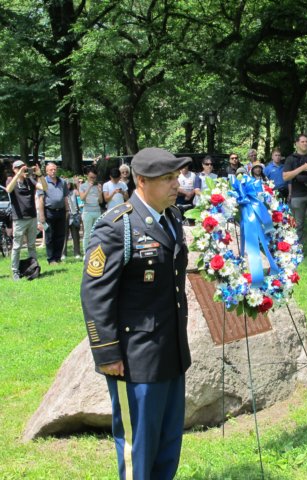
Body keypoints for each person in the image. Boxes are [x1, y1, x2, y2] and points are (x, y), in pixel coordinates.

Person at [81, 147, 192, 480]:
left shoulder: (171, 218)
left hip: (170, 351)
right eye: (168, 179)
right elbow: (95, 293)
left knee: (168, 442)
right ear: (141, 181)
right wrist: (107, 353)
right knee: (138, 446)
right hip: (135, 358)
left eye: (176, 177)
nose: (177, 184)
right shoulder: (117, 226)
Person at [6, 160, 47, 280]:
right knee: (17, 246)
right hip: (19, 219)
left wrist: (39, 174)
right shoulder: (11, 180)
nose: (22, 170)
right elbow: (8, 189)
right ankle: (15, 271)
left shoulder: (29, 180)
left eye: (23, 167)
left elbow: (44, 187)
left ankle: (34, 268)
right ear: (14, 169)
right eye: (19, 168)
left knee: (31, 245)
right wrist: (18, 175)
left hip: (32, 217)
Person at [37, 162, 69, 265]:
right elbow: (41, 199)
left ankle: (58, 257)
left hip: (61, 211)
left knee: (60, 236)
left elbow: (65, 197)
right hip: (49, 212)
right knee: (50, 236)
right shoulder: (43, 182)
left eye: (55, 169)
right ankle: (51, 259)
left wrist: (67, 210)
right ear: (46, 171)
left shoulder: (62, 182)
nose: (53, 171)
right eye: (51, 170)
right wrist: (41, 215)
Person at [79, 167, 103, 254]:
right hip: (87, 212)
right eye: (91, 177)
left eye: (94, 177)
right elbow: (82, 198)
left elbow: (100, 201)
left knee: (97, 233)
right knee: (87, 233)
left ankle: (95, 251)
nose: (93, 179)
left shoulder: (98, 186)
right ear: (87, 176)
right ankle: (86, 252)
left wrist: (100, 192)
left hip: (97, 211)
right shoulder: (82, 186)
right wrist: (89, 187)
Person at [62, 179, 81, 259]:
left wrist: (77, 184)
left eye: (69, 184)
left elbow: (80, 194)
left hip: (74, 215)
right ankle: (63, 253)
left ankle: (77, 253)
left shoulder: (74, 191)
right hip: (65, 215)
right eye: (66, 184)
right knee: (64, 236)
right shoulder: (61, 193)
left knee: (75, 235)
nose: (68, 185)